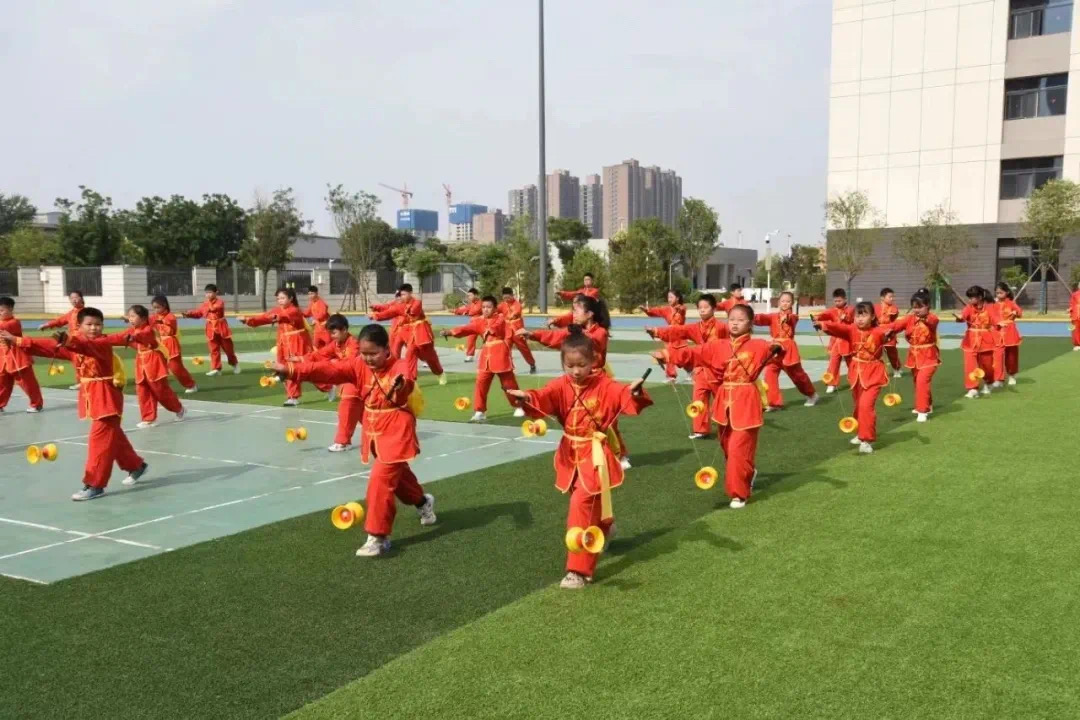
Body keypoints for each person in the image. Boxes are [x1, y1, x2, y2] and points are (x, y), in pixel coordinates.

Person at [273, 323, 436, 557]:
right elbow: (327, 370)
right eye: (364, 353)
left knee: (379, 481)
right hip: (374, 429)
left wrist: (400, 385)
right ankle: (422, 502)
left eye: (374, 353)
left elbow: (405, 380)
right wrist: (291, 370)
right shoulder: (358, 364)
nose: (368, 359)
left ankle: (378, 537)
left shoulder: (398, 365)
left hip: (397, 430)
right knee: (398, 477)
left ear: (386, 349)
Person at [506, 327, 652, 589]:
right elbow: (543, 397)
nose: (575, 371)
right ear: (563, 363)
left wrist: (635, 392)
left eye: (582, 365)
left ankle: (579, 570)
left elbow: (623, 396)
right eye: (570, 365)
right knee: (588, 502)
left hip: (595, 456)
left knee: (580, 504)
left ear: (593, 360)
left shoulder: (604, 385)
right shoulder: (560, 384)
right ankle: (605, 527)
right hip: (570, 453)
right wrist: (527, 397)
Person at [2, 307, 149, 501]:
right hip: (93, 397)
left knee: (99, 442)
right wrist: (18, 340)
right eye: (89, 324)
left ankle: (95, 484)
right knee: (112, 436)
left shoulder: (101, 343)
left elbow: (83, 345)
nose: (94, 328)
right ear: (78, 326)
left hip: (106, 398)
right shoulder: (76, 345)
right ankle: (136, 466)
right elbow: (49, 346)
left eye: (98, 324)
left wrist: (68, 340)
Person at [658, 304, 780, 507]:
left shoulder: (758, 345)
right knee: (728, 448)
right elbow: (693, 353)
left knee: (738, 449)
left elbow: (776, 349)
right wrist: (668, 356)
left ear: (750, 323)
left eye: (740, 320)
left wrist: (777, 348)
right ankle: (748, 473)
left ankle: (738, 494)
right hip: (724, 401)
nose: (735, 323)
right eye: (732, 319)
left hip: (746, 401)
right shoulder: (717, 346)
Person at [521, 296, 635, 469]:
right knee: (581, 418)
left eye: (576, 310)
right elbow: (556, 336)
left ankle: (621, 455)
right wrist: (533, 335)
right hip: (579, 381)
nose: (573, 314)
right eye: (573, 310)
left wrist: (576, 333)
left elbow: (591, 343)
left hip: (598, 381)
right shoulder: (576, 332)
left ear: (589, 314)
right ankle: (588, 454)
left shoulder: (600, 332)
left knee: (608, 421)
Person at [813, 301, 895, 454]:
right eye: (858, 316)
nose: (860, 319)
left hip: (874, 374)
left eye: (864, 315)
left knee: (865, 406)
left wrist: (888, 334)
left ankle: (866, 440)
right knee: (858, 405)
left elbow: (887, 332)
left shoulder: (878, 331)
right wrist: (822, 324)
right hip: (856, 372)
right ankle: (860, 432)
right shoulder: (851, 330)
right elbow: (838, 328)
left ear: (872, 317)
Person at [646, 293, 730, 439]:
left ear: (714, 308)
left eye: (706, 307)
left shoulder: (722, 327)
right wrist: (657, 331)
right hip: (700, 369)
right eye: (700, 307)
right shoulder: (695, 327)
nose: (702, 310)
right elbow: (678, 330)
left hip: (718, 371)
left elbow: (731, 345)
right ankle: (701, 430)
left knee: (722, 401)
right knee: (698, 399)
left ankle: (728, 427)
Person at [443, 295, 522, 423]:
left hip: (500, 354)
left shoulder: (500, 318)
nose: (485, 309)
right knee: (481, 383)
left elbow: (498, 326)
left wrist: (490, 330)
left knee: (509, 384)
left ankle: (519, 405)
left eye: (488, 307)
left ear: (495, 308)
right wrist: (451, 332)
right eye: (484, 307)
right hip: (486, 357)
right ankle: (480, 411)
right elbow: (467, 328)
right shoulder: (479, 321)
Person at [240, 287, 321, 407]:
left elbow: (286, 316)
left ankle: (327, 386)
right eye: (278, 298)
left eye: (283, 298)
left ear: (291, 298)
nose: (280, 301)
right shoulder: (277, 310)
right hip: (284, 343)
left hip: (298, 343)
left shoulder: (295, 310)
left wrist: (277, 317)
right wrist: (248, 320)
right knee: (286, 369)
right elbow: (264, 317)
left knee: (305, 370)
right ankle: (292, 397)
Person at [109, 304, 186, 428]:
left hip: (154, 361)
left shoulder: (148, 330)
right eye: (129, 316)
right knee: (142, 390)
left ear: (143, 318)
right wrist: (101, 339)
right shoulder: (132, 330)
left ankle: (179, 408)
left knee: (161, 391)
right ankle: (148, 418)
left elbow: (143, 336)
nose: (130, 319)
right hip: (141, 362)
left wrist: (132, 337)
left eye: (133, 316)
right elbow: (118, 337)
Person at [299, 314, 361, 452]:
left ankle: (342, 442)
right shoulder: (336, 344)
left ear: (344, 330)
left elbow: (350, 364)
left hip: (358, 381)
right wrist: (300, 359)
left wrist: (333, 362)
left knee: (346, 408)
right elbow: (319, 354)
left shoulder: (354, 344)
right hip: (351, 382)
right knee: (364, 415)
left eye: (334, 333)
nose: (332, 336)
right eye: (330, 333)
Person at [753, 290, 819, 410]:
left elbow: (791, 319)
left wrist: (786, 317)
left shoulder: (793, 317)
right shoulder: (773, 316)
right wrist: (749, 315)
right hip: (775, 348)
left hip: (788, 350)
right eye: (783, 301)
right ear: (779, 302)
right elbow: (761, 318)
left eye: (788, 301)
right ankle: (774, 403)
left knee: (797, 376)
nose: (785, 303)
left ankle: (812, 394)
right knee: (770, 374)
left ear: (792, 303)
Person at [371, 284, 446, 385]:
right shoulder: (399, 305)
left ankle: (440, 373)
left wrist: (402, 309)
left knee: (430, 357)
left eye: (404, 294)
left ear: (410, 293)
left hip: (422, 335)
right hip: (410, 336)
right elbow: (390, 312)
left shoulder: (417, 302)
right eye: (401, 295)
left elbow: (413, 311)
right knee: (410, 354)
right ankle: (411, 380)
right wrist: (376, 316)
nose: (402, 297)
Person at [886, 289, 939, 423]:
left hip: (929, 356)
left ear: (928, 306)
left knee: (922, 381)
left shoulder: (933, 318)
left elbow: (932, 322)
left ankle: (922, 411)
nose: (917, 310)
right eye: (914, 307)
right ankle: (928, 405)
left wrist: (924, 319)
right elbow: (895, 326)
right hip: (914, 356)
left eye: (920, 307)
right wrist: (882, 330)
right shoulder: (909, 319)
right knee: (918, 382)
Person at [183, 284, 240, 376]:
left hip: (221, 328)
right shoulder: (205, 304)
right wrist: (189, 314)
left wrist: (207, 308)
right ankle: (216, 369)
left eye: (210, 293)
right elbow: (199, 313)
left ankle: (235, 364)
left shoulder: (220, 302)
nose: (208, 295)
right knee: (214, 350)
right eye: (206, 293)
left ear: (216, 293)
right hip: (210, 329)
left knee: (228, 349)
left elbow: (216, 308)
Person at [0, 296, 44, 413]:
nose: (0, 313)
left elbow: (2, 328)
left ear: (10, 309)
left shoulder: (14, 322)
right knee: (2, 383)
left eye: (2, 310)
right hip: (3, 359)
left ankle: (36, 404)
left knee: (27, 383)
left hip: (17, 358)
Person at [953, 286, 996, 399]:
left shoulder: (990, 308)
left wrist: (999, 323)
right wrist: (959, 318)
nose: (969, 300)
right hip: (970, 341)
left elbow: (995, 319)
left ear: (980, 297)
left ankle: (989, 382)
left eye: (972, 297)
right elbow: (963, 317)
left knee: (987, 366)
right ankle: (972, 388)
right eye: (969, 298)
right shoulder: (968, 308)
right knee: (970, 366)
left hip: (986, 341)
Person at [151, 295, 197, 394]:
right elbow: (145, 321)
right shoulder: (155, 316)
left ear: (164, 306)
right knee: (157, 367)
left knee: (175, 368)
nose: (156, 310)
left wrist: (156, 321)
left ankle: (191, 385)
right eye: (154, 308)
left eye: (158, 307)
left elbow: (167, 325)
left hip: (171, 343)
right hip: (161, 344)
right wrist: (130, 319)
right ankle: (160, 387)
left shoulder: (170, 317)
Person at [39, 289, 85, 389]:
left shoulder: (86, 312)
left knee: (81, 361)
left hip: (81, 341)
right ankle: (81, 381)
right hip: (71, 342)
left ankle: (84, 381)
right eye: (71, 298)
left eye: (76, 297)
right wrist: (47, 325)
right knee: (76, 361)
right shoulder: (71, 313)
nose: (74, 300)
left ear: (81, 298)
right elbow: (60, 320)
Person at [639, 290, 686, 383]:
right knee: (668, 354)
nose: (669, 299)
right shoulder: (667, 310)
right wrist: (647, 310)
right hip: (670, 337)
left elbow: (682, 310)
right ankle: (671, 376)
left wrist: (679, 309)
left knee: (682, 357)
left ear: (677, 298)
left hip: (680, 337)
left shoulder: (682, 308)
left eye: (671, 297)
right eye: (668, 297)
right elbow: (657, 311)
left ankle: (692, 371)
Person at [814, 288, 855, 394]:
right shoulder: (832, 310)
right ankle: (831, 384)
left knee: (851, 363)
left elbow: (851, 319)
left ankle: (855, 381)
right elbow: (824, 315)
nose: (837, 303)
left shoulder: (851, 309)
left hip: (847, 340)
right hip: (836, 341)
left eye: (839, 301)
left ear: (845, 299)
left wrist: (846, 317)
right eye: (835, 301)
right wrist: (816, 319)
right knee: (833, 362)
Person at [498, 287, 537, 373]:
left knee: (524, 349)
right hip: (507, 331)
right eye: (504, 298)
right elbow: (495, 310)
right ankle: (509, 367)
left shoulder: (517, 304)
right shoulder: (502, 304)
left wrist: (510, 316)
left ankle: (532, 364)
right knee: (506, 349)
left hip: (517, 331)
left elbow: (515, 313)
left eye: (508, 297)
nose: (506, 299)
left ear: (512, 295)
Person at [992, 282, 1022, 387]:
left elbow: (1019, 312)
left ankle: (1012, 375)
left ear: (1007, 292)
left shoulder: (1011, 303)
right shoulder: (993, 304)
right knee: (997, 357)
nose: (998, 295)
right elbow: (990, 317)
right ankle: (999, 379)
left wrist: (1015, 313)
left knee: (1011, 356)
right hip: (997, 332)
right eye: (997, 293)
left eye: (1001, 292)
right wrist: (997, 322)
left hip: (1010, 332)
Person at [876, 287, 903, 378]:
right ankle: (878, 371)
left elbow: (893, 319)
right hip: (878, 333)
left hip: (890, 333)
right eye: (890, 297)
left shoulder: (894, 308)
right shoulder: (875, 308)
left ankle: (897, 369)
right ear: (882, 298)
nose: (892, 299)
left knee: (892, 352)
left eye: (893, 297)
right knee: (877, 353)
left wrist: (890, 329)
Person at [372, 290, 406, 359]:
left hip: (404, 331)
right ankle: (393, 362)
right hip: (394, 331)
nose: (399, 298)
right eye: (397, 296)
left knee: (412, 349)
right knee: (392, 349)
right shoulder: (394, 303)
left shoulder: (407, 305)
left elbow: (387, 314)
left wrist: (376, 316)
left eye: (400, 296)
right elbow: (386, 307)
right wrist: (376, 307)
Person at [452, 288, 483, 363]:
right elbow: (465, 309)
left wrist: (467, 312)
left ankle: (495, 352)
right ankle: (470, 355)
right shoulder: (471, 304)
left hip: (481, 324)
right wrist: (456, 311)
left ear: (476, 295)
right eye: (468, 295)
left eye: (470, 295)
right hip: (472, 324)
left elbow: (474, 311)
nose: (468, 297)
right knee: (470, 339)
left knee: (488, 338)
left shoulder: (481, 303)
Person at [303, 285, 332, 350]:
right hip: (318, 328)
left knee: (328, 344)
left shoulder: (321, 303)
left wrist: (315, 319)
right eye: (309, 294)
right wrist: (299, 313)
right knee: (315, 345)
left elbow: (322, 314)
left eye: (312, 293)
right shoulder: (312, 303)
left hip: (325, 328)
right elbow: (307, 313)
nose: (310, 296)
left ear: (316, 293)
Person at [1071, 282, 1080, 351]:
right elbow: (1072, 304)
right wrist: (1070, 310)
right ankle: (1077, 344)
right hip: (1076, 315)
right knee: (1075, 330)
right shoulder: (1074, 294)